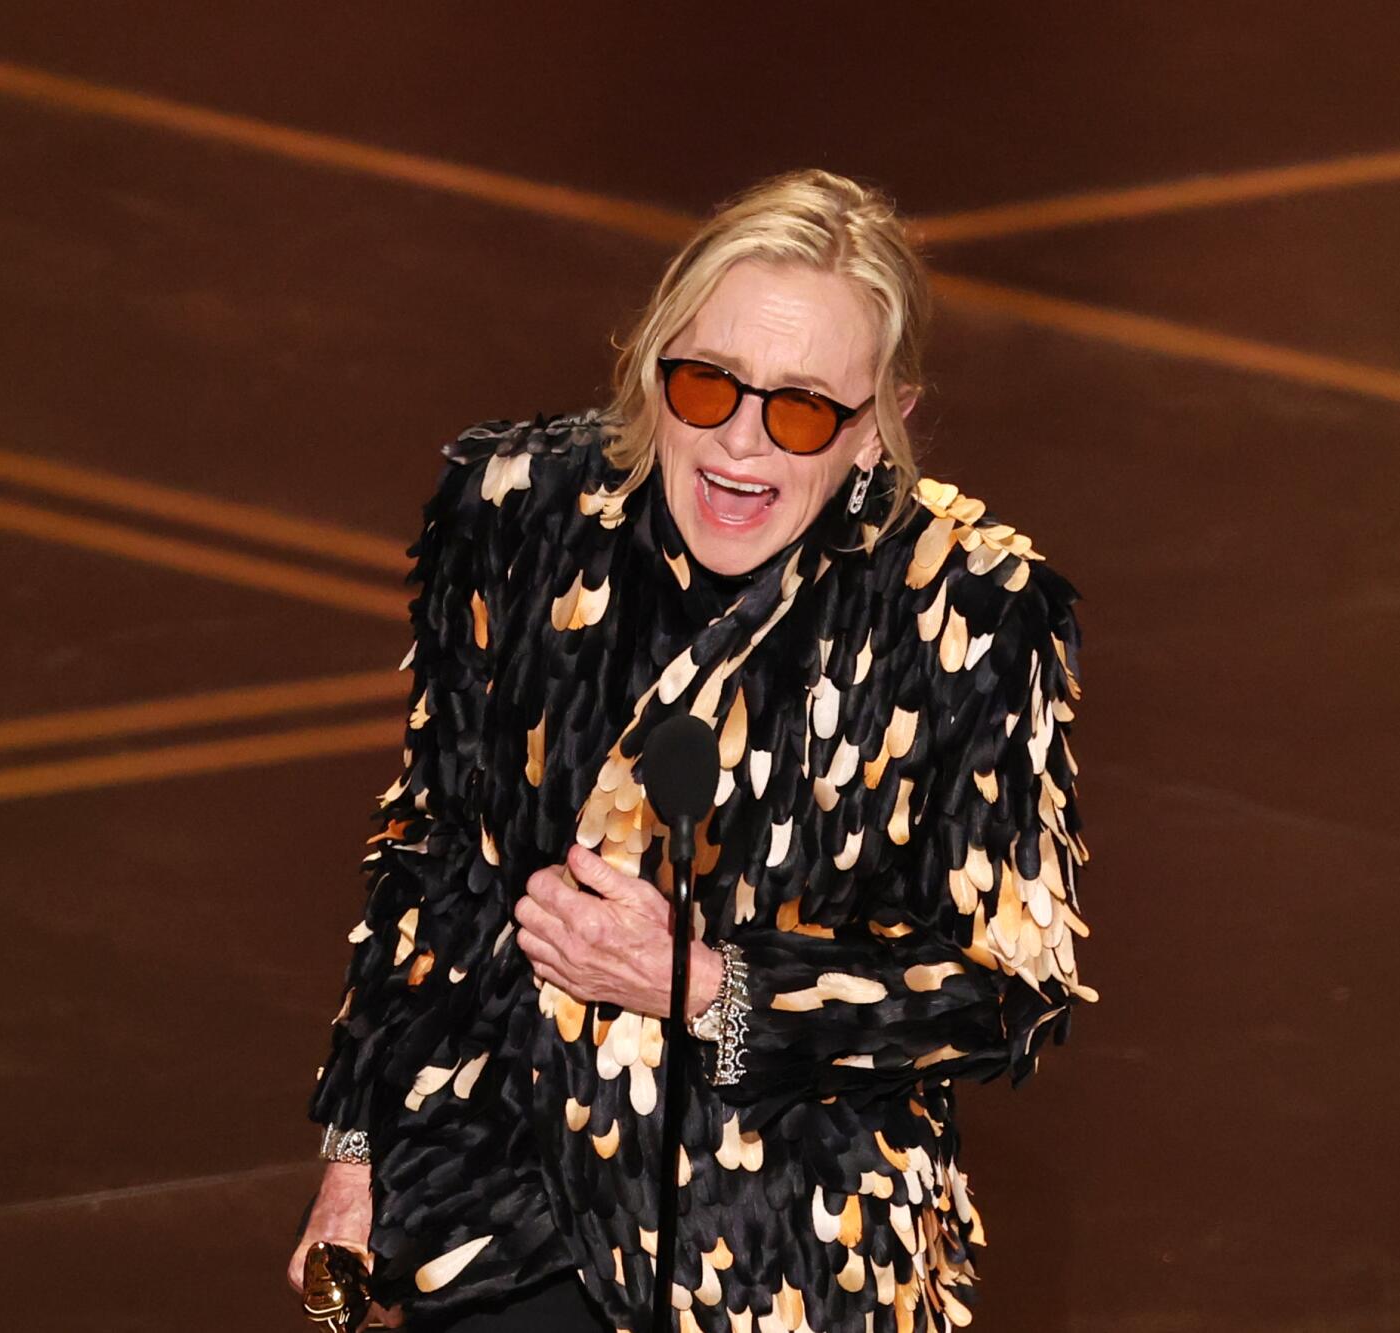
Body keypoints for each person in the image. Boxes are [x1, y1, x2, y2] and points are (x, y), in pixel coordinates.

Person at [286, 169, 1094, 1333]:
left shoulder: (967, 616)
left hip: (777, 1236)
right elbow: (434, 852)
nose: (739, 445)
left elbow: (1003, 988)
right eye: (706, 385)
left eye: (803, 408)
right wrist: (357, 1159)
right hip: (498, 1199)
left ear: (884, 423)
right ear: (651, 366)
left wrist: (719, 989)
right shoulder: (516, 514)